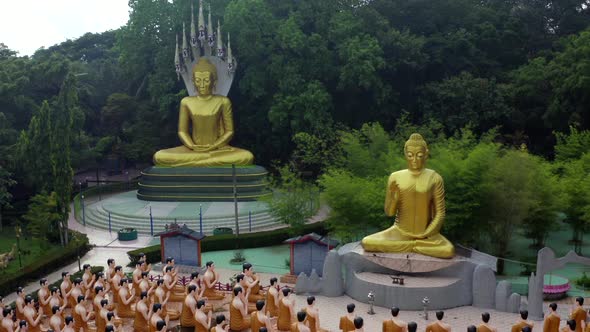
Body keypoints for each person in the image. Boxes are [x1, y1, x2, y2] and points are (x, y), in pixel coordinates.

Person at [361, 133, 454, 258]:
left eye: (419, 156)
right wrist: (394, 199)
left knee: (448, 250)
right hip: (400, 231)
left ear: (426, 155)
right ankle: (414, 246)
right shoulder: (395, 177)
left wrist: (426, 233)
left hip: (426, 234)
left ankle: (411, 245)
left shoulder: (435, 178)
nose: (414, 160)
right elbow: (389, 212)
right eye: (410, 156)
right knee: (367, 242)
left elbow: (440, 214)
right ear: (405, 155)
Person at [153, 58, 254, 167]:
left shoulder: (223, 101)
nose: (201, 85)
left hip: (217, 149)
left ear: (214, 81)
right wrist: (192, 146)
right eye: (197, 80)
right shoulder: (186, 102)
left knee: (247, 157)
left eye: (206, 80)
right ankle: (204, 161)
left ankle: (197, 162)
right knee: (159, 156)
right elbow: (182, 131)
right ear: (193, 81)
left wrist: (213, 146)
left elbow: (229, 131)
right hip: (192, 149)